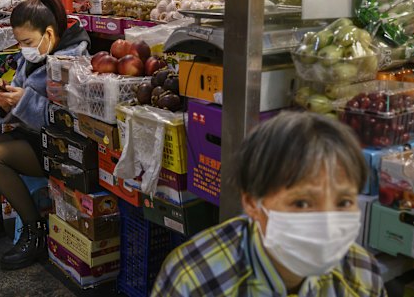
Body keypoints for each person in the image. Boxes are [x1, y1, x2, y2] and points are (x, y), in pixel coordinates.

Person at [152, 112, 387, 297]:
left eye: (343, 202)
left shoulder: (361, 274)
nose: (327, 224)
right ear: (252, 202)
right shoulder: (194, 281)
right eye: (302, 203)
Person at [0, 0, 90, 270]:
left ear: (50, 33)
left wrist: (23, 102)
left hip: (60, 146)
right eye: (19, 42)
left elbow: (69, 121)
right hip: (30, 135)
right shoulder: (32, 56)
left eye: (27, 42)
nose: (23, 49)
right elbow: (19, 101)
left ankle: (35, 232)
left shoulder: (73, 63)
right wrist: (6, 100)